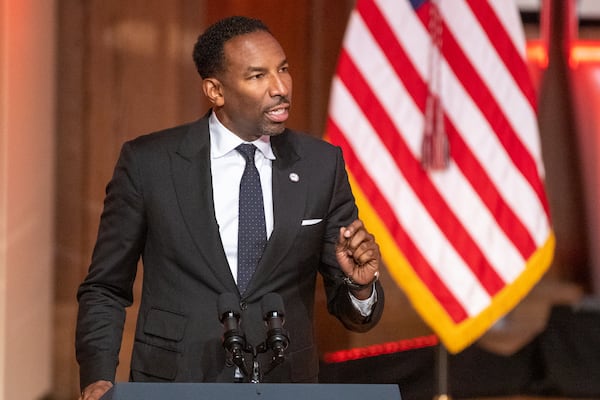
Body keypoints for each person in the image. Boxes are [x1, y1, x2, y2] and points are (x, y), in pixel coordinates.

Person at [76, 15, 384, 400]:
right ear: (215, 90)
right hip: (175, 383)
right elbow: (105, 286)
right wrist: (97, 376)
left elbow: (352, 310)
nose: (280, 87)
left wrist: (361, 285)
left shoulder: (321, 165)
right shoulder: (149, 163)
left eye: (283, 69)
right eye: (258, 76)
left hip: (284, 383)